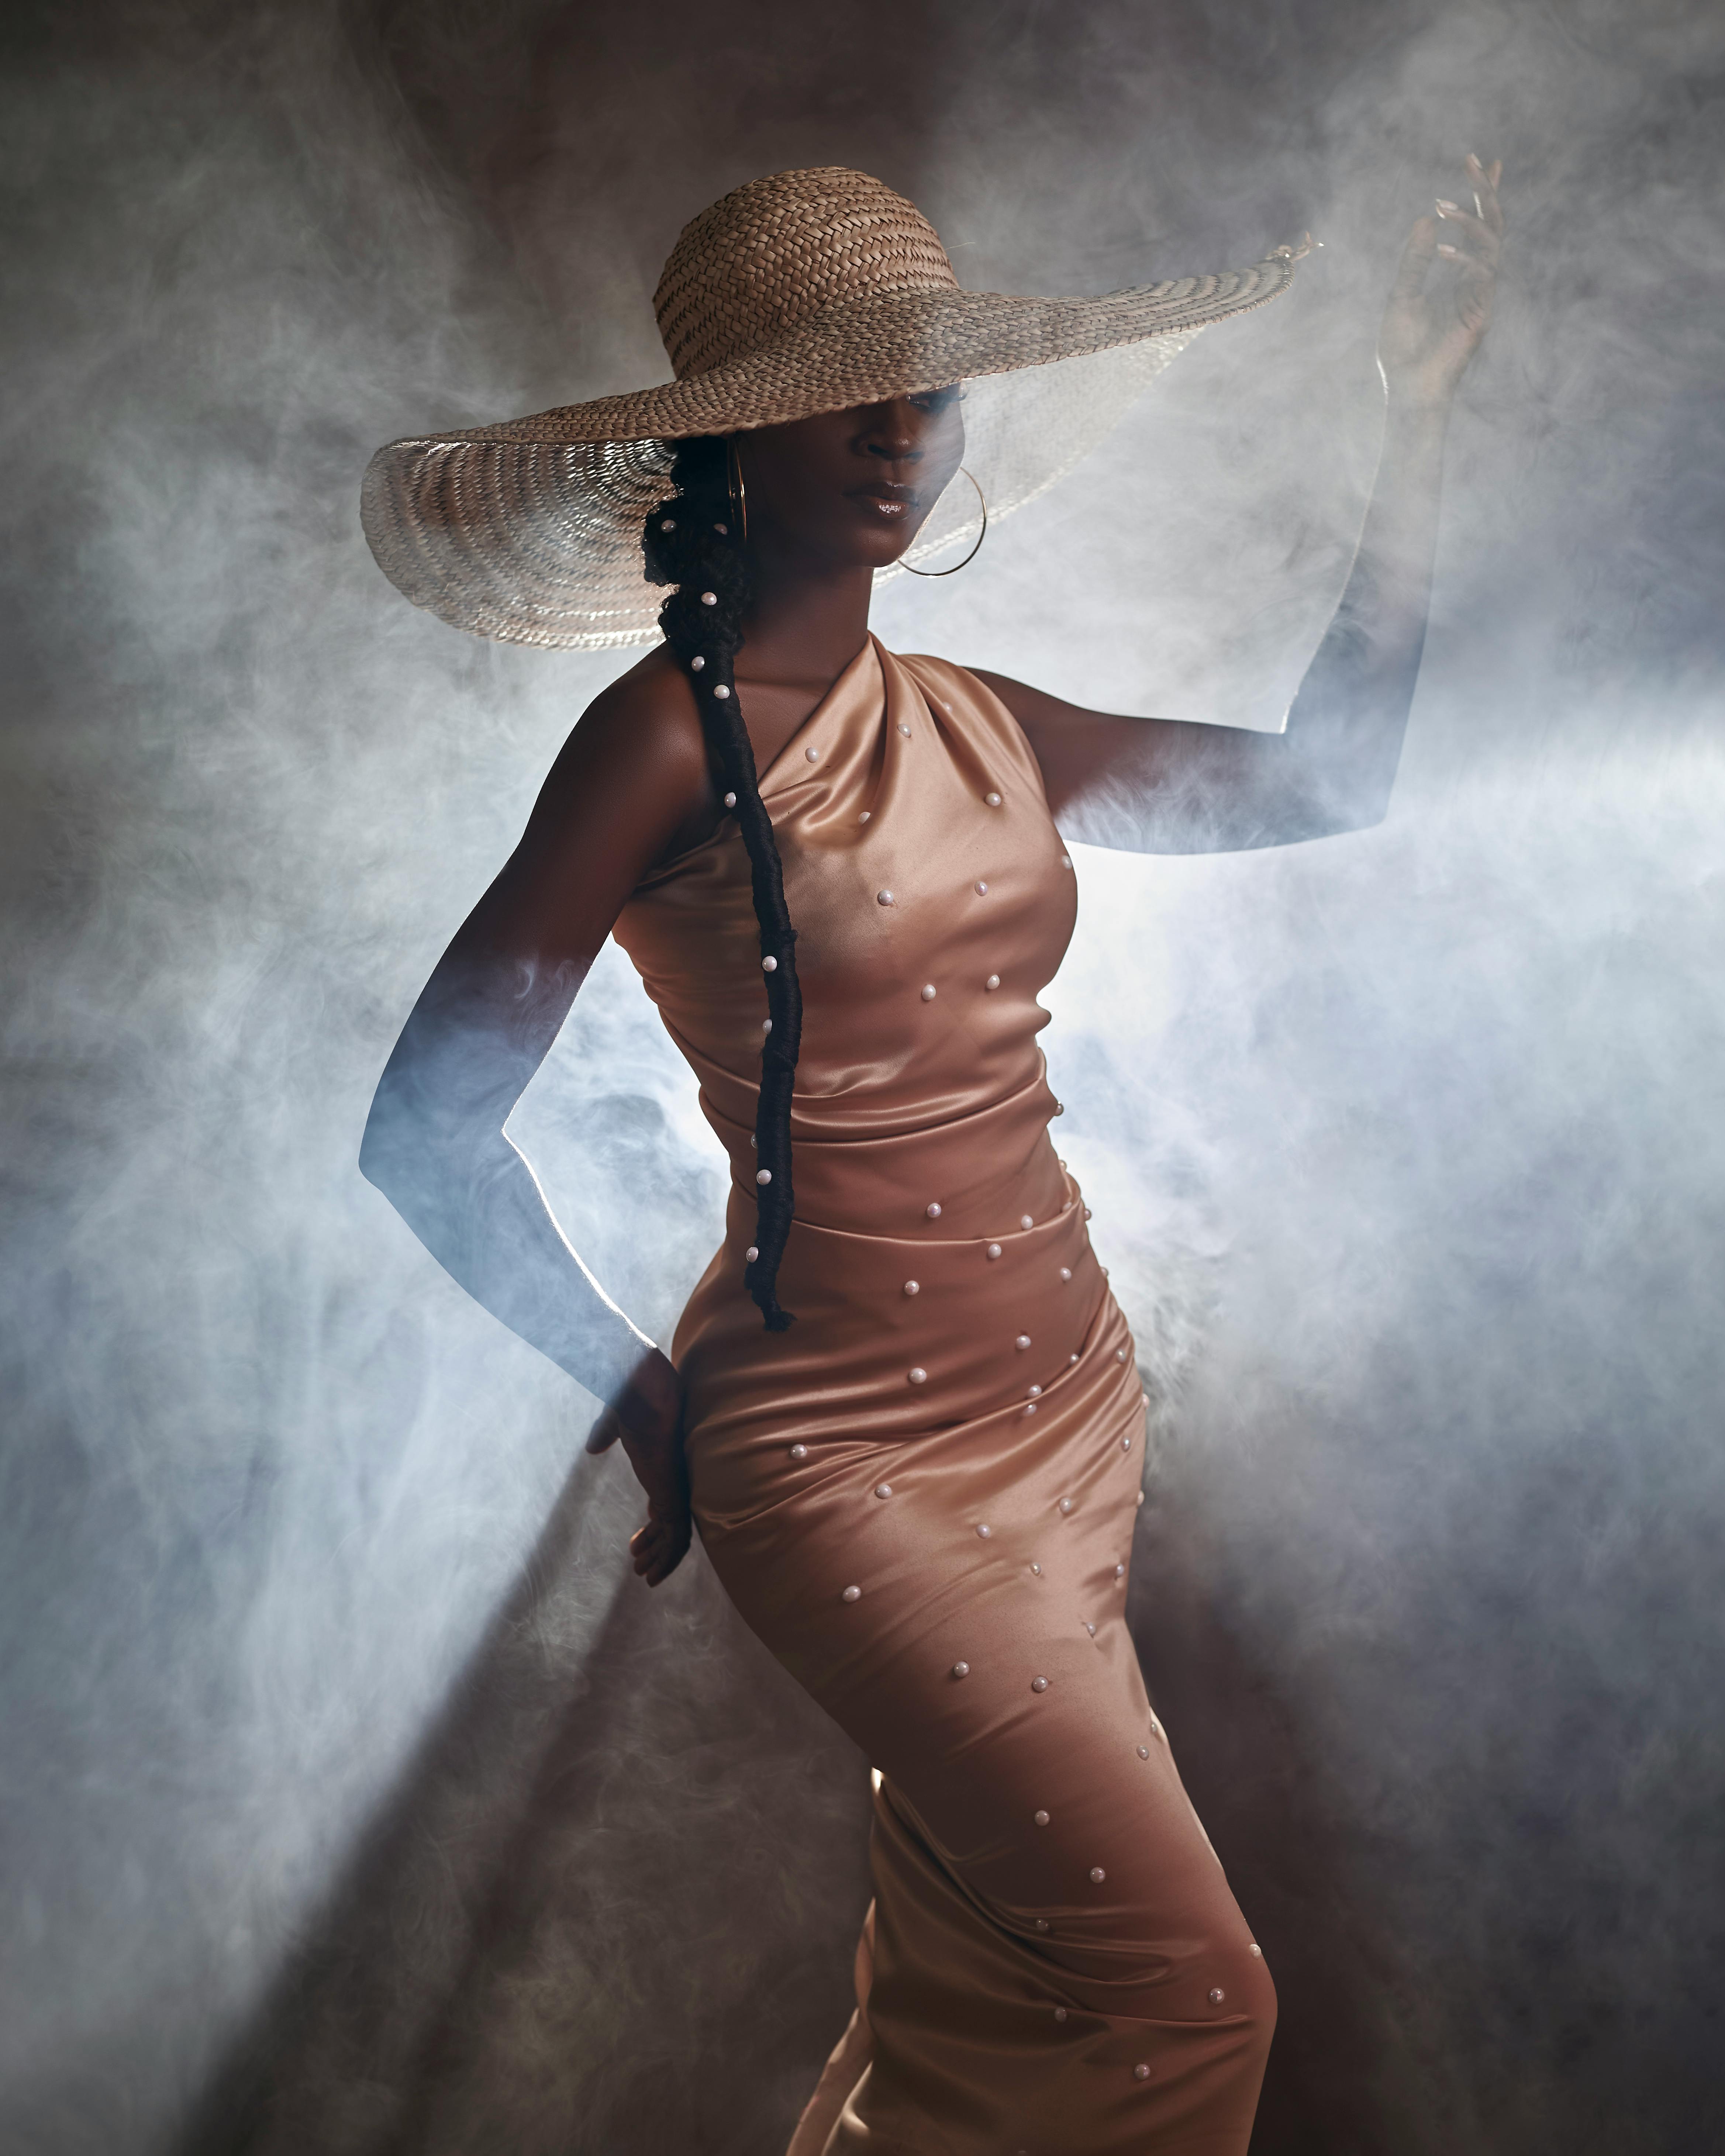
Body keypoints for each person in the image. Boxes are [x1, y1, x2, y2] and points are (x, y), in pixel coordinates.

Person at [358, 161, 1502, 2155]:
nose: (899, 431)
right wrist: (628, 1376)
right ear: (734, 433)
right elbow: (421, 1126)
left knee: (985, 2004)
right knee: (1181, 1992)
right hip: (842, 1456)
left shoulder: (977, 716)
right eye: (844, 390)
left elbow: (1324, 784)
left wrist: (1416, 410)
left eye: (924, 392)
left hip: (1061, 1412)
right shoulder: (657, 745)